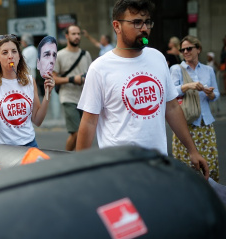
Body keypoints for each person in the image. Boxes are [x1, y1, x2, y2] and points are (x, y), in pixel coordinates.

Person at [76, 0, 209, 179]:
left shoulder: (157, 58)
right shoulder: (99, 68)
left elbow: (171, 107)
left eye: (147, 22)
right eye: (137, 22)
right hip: (120, 169)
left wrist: (192, 150)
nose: (144, 28)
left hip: (158, 165)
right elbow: (89, 122)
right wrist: (79, 169)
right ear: (117, 26)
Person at [0, 34, 55, 147]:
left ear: (19, 56)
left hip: (29, 145)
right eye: (5, 52)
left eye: (14, 51)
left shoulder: (29, 80)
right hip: (0, 148)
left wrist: (47, 95)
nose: (10, 56)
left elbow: (37, 120)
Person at [170, 35, 220, 182]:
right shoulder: (177, 69)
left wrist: (210, 94)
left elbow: (216, 94)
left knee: (210, 165)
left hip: (205, 124)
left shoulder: (208, 70)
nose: (185, 52)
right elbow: (171, 93)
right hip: (185, 124)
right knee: (187, 169)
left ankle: (210, 199)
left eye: (189, 48)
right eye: (183, 49)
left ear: (198, 49)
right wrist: (188, 86)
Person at [52, 25, 92, 151]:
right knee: (75, 133)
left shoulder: (86, 55)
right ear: (67, 36)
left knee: (84, 134)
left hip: (84, 99)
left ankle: (79, 159)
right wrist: (72, 79)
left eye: (78, 34)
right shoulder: (59, 55)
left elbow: (92, 75)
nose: (77, 37)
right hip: (68, 97)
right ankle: (66, 158)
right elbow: (52, 79)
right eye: (73, 34)